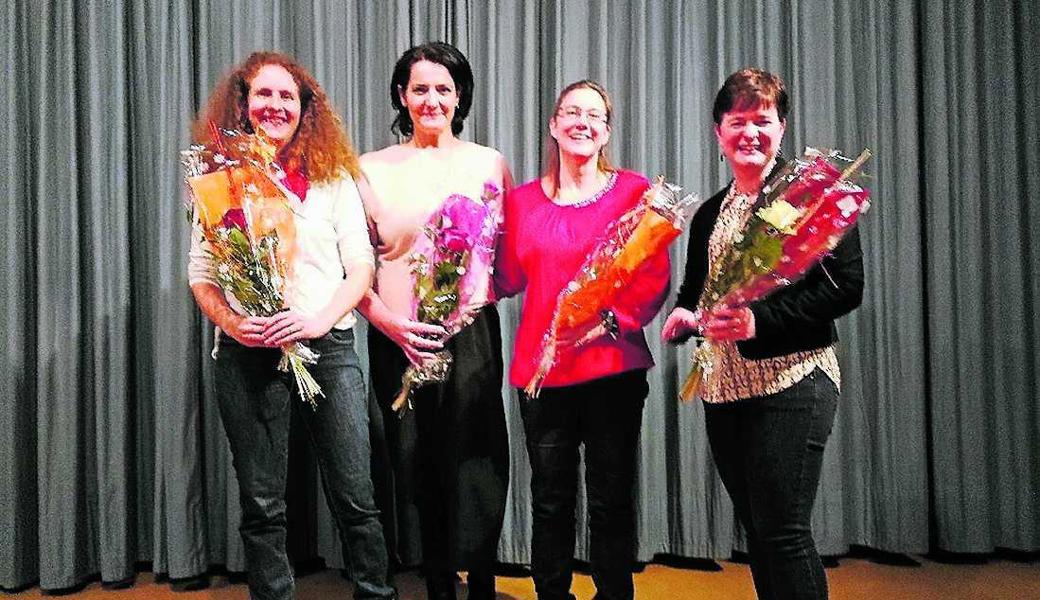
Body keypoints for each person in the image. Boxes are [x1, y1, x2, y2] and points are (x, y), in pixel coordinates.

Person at [188, 51, 396, 600]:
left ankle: (376, 592)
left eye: (288, 96)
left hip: (328, 345)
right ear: (244, 102)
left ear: (305, 108)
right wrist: (232, 323)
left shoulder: (331, 177)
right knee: (262, 503)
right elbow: (202, 274)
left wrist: (317, 320)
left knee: (356, 495)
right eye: (264, 94)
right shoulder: (219, 180)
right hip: (247, 354)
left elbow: (362, 267)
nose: (276, 105)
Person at [661, 68, 865, 600]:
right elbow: (695, 289)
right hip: (725, 388)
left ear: (781, 128)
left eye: (762, 121)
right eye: (737, 122)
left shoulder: (811, 197)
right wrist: (686, 316)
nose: (750, 132)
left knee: (783, 530)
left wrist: (760, 322)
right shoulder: (710, 212)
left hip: (793, 379)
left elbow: (846, 287)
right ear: (718, 132)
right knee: (760, 531)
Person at [495, 80, 671, 600]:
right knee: (550, 500)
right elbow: (504, 276)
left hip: (612, 368)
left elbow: (652, 275)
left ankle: (614, 594)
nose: (582, 122)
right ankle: (552, 593)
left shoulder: (635, 192)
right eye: (572, 112)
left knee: (610, 499)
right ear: (553, 125)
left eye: (594, 115)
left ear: (606, 131)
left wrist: (608, 321)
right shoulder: (522, 202)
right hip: (543, 373)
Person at [357, 42, 511, 600]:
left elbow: (503, 254)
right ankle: (439, 581)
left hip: (470, 335)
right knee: (415, 461)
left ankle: (483, 579)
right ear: (402, 95)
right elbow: (357, 268)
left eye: (443, 88)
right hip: (399, 338)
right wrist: (390, 325)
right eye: (419, 88)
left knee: (477, 460)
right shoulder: (369, 168)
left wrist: (475, 303)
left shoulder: (488, 162)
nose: (432, 99)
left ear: (460, 95)